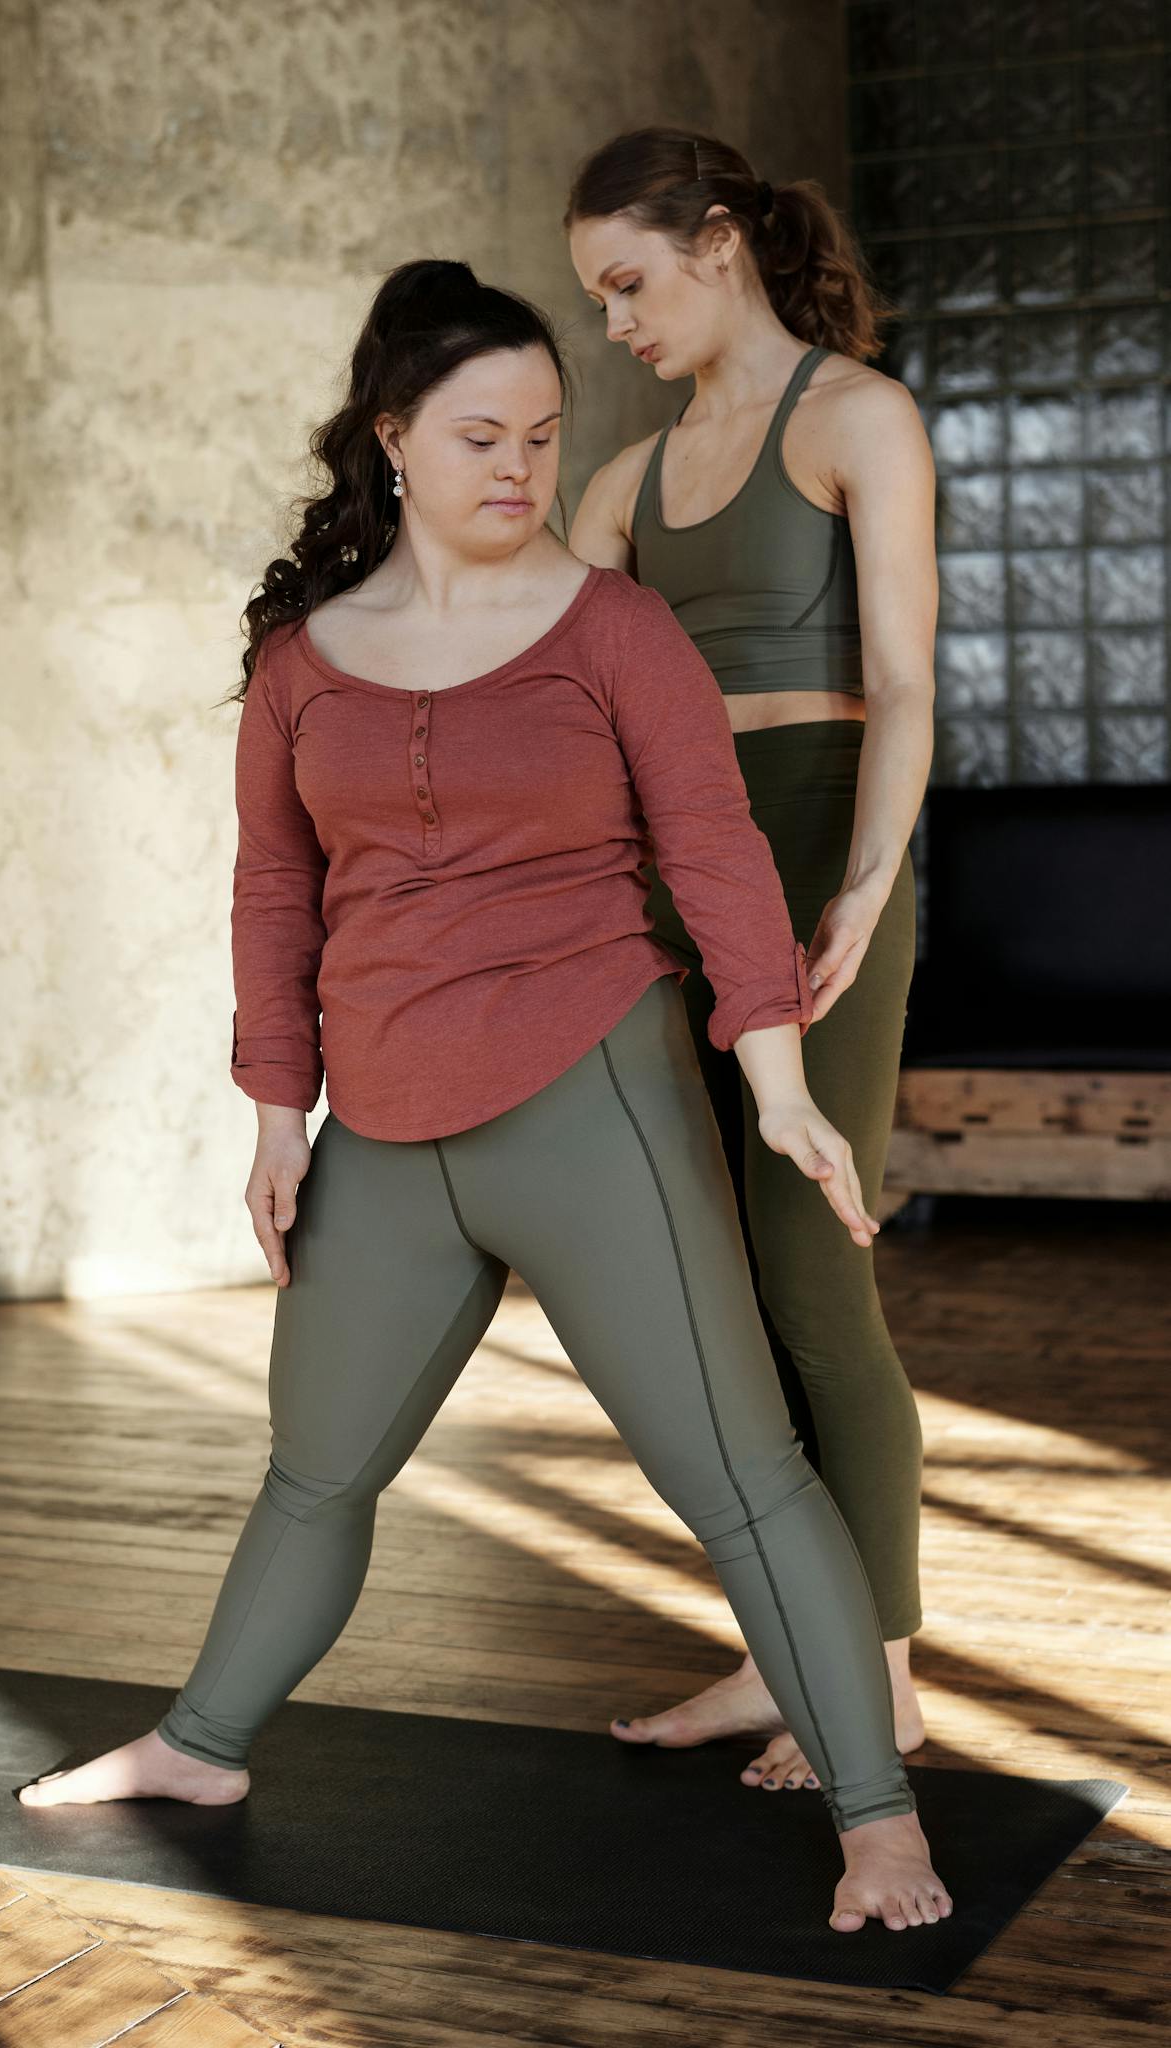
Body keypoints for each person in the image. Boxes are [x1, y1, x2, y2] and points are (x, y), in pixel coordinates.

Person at [16, 259, 951, 1936]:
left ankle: (878, 1821)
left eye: (541, 434)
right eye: (480, 437)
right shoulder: (303, 660)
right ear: (392, 438)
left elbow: (716, 853)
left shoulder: (616, 628)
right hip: (382, 1125)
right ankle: (199, 1745)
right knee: (315, 1472)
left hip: (595, 1097)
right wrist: (276, 1116)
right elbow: (274, 892)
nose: (520, 467)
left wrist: (776, 1083)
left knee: (741, 1478)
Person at [565, 128, 937, 1796]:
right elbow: (556, 716)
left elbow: (904, 684)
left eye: (629, 284)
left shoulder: (857, 418)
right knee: (713, 1304)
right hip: (670, 882)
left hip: (820, 854)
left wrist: (864, 885)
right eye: (598, 299)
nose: (616, 324)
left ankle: (884, 1682)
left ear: (718, 242)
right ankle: (777, 1650)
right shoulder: (619, 488)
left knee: (811, 1277)